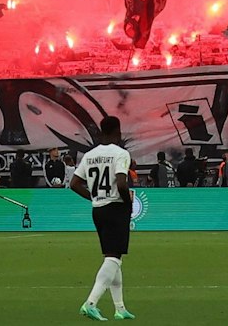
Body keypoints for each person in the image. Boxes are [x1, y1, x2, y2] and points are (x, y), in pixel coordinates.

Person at [72, 116, 135, 321]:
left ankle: (120, 308)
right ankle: (91, 303)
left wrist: (93, 196)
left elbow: (74, 183)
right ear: (118, 131)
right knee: (113, 258)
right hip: (116, 208)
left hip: (98, 209)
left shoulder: (90, 155)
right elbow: (122, 183)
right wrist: (127, 203)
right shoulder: (121, 153)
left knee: (113, 257)